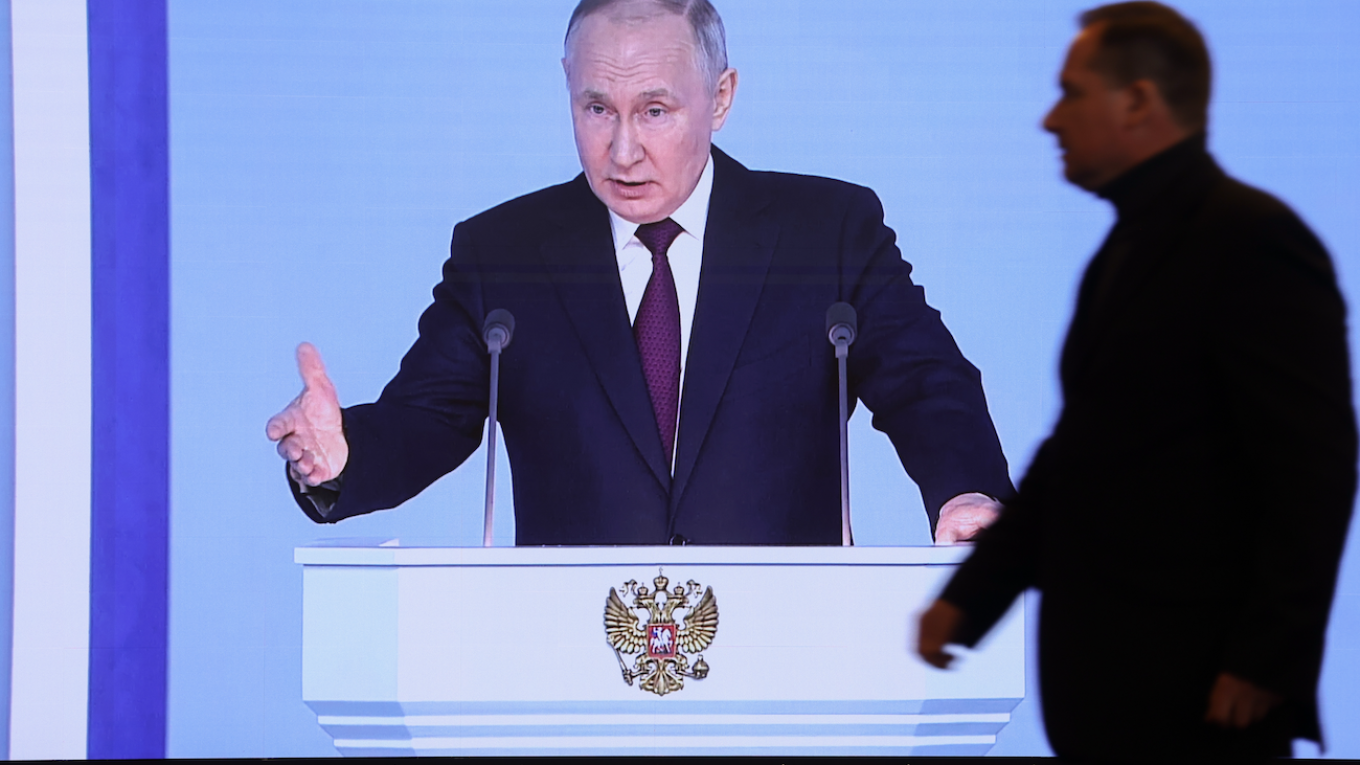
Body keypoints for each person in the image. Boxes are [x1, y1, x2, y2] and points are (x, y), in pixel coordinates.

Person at [266, 0, 1013, 545]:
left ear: (721, 98)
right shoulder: (504, 254)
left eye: (655, 111)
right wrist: (342, 455)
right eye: (597, 109)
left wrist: (967, 491)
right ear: (567, 86)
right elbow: (424, 421)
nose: (622, 151)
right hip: (571, 667)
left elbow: (926, 383)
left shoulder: (828, 233)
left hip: (787, 659)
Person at [916, 2, 1357, 761]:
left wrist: (1265, 661)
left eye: (1071, 93)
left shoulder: (1255, 241)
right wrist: (969, 599)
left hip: (1205, 702)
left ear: (1139, 102)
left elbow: (1312, 471)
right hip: (1114, 702)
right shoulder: (1123, 254)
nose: (1050, 119)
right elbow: (1078, 459)